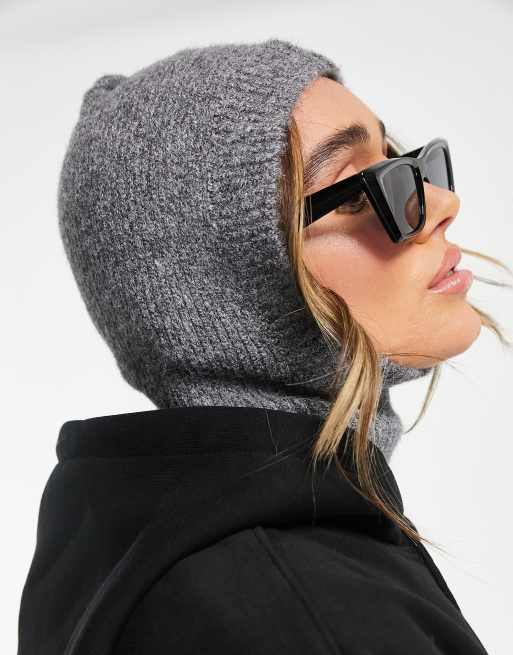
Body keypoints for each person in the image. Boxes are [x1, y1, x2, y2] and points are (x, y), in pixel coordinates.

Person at [17, 37, 504, 655]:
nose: (443, 202)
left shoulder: (123, 536)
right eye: (358, 190)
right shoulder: (311, 615)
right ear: (227, 286)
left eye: (396, 158)